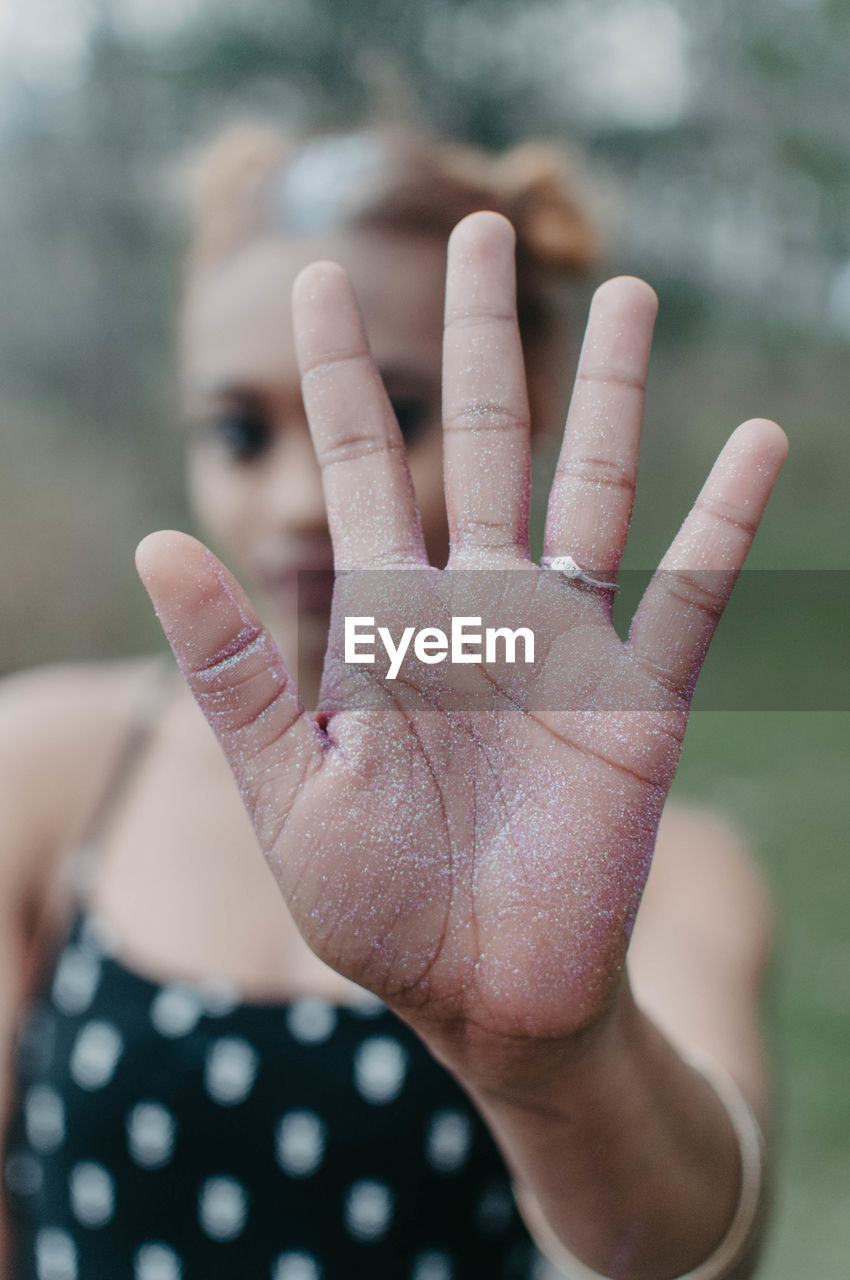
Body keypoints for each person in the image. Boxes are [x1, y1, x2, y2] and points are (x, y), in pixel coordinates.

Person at [0, 123, 786, 1280]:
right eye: (237, 430)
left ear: (532, 398)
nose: (297, 496)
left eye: (390, 413)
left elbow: (697, 1249)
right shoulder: (47, 768)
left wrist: (550, 1058)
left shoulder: (663, 866)